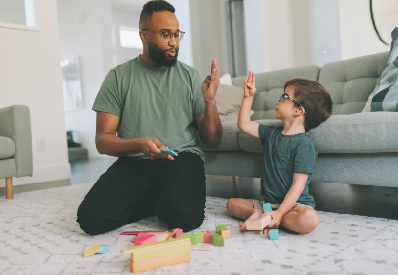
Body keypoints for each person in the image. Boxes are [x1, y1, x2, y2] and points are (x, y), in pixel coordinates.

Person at [77, 0, 223, 235]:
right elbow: (103, 141)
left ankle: (161, 198)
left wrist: (210, 101)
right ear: (143, 36)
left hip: (181, 158)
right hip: (135, 161)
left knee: (184, 218)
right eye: (165, 34)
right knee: (91, 219)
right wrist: (137, 144)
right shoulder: (118, 77)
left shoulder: (191, 77)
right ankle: (157, 199)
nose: (173, 42)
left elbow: (213, 140)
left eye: (177, 34)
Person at [227, 71, 332, 234]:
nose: (278, 100)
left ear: (298, 111)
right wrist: (248, 97)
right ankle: (264, 215)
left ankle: (274, 218)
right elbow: (244, 124)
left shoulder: (304, 144)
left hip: (295, 206)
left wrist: (281, 211)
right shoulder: (271, 133)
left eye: (284, 97)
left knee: (310, 218)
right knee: (231, 204)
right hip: (268, 203)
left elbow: (298, 184)